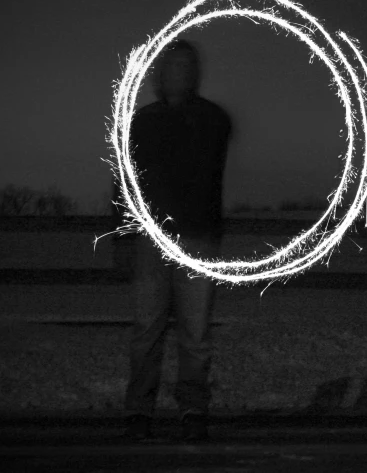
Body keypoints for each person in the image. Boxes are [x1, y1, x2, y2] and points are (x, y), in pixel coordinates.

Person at [112, 39, 232, 442]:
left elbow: (209, 154)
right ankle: (139, 410)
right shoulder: (142, 122)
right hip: (151, 241)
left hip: (197, 240)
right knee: (146, 329)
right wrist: (125, 237)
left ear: (194, 74)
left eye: (187, 65)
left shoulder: (212, 120)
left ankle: (193, 407)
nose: (180, 71)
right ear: (161, 73)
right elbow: (123, 183)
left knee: (195, 333)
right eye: (173, 65)